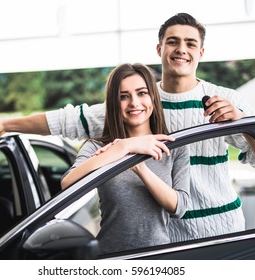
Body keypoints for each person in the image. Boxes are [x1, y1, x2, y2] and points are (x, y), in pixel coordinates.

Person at [0, 13, 255, 242]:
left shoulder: (227, 100)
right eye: (173, 42)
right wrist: (4, 124)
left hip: (223, 230)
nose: (181, 49)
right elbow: (66, 121)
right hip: (165, 239)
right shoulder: (138, 102)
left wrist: (242, 123)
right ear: (160, 49)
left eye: (190, 43)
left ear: (201, 52)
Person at [60, 63, 190, 254]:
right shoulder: (97, 148)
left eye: (142, 93)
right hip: (110, 258)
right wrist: (123, 147)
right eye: (123, 96)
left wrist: (140, 168)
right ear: (114, 103)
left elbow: (179, 207)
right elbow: (67, 184)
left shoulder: (175, 148)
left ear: (153, 96)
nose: (134, 103)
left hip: (158, 258)